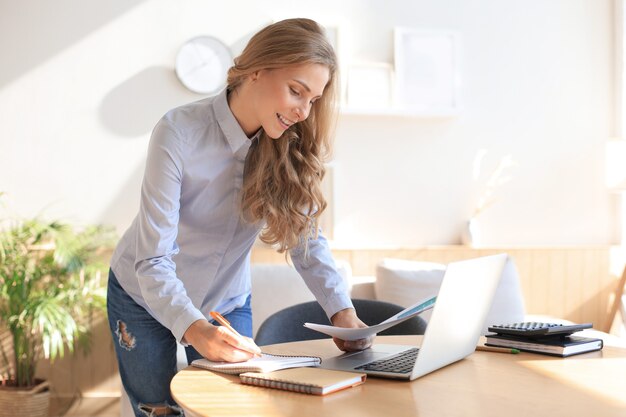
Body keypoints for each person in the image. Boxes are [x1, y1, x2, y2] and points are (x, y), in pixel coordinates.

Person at [106, 18, 373, 417]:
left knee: (237, 408)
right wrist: (194, 329)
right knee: (158, 410)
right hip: (142, 297)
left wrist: (342, 312)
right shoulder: (178, 132)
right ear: (257, 69)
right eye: (296, 91)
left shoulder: (289, 146)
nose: (303, 111)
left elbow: (306, 239)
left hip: (225, 303)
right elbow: (153, 259)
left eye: (313, 100)